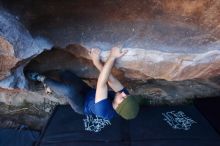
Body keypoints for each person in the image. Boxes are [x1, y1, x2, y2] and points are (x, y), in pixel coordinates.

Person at [25, 47, 139, 120]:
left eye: (123, 98)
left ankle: (42, 79)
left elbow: (102, 84)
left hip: (82, 105)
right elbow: (111, 80)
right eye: (127, 95)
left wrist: (112, 57)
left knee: (68, 91)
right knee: (65, 74)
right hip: (88, 92)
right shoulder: (123, 95)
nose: (124, 94)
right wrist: (97, 62)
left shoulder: (104, 111)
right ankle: (52, 83)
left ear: (118, 106)